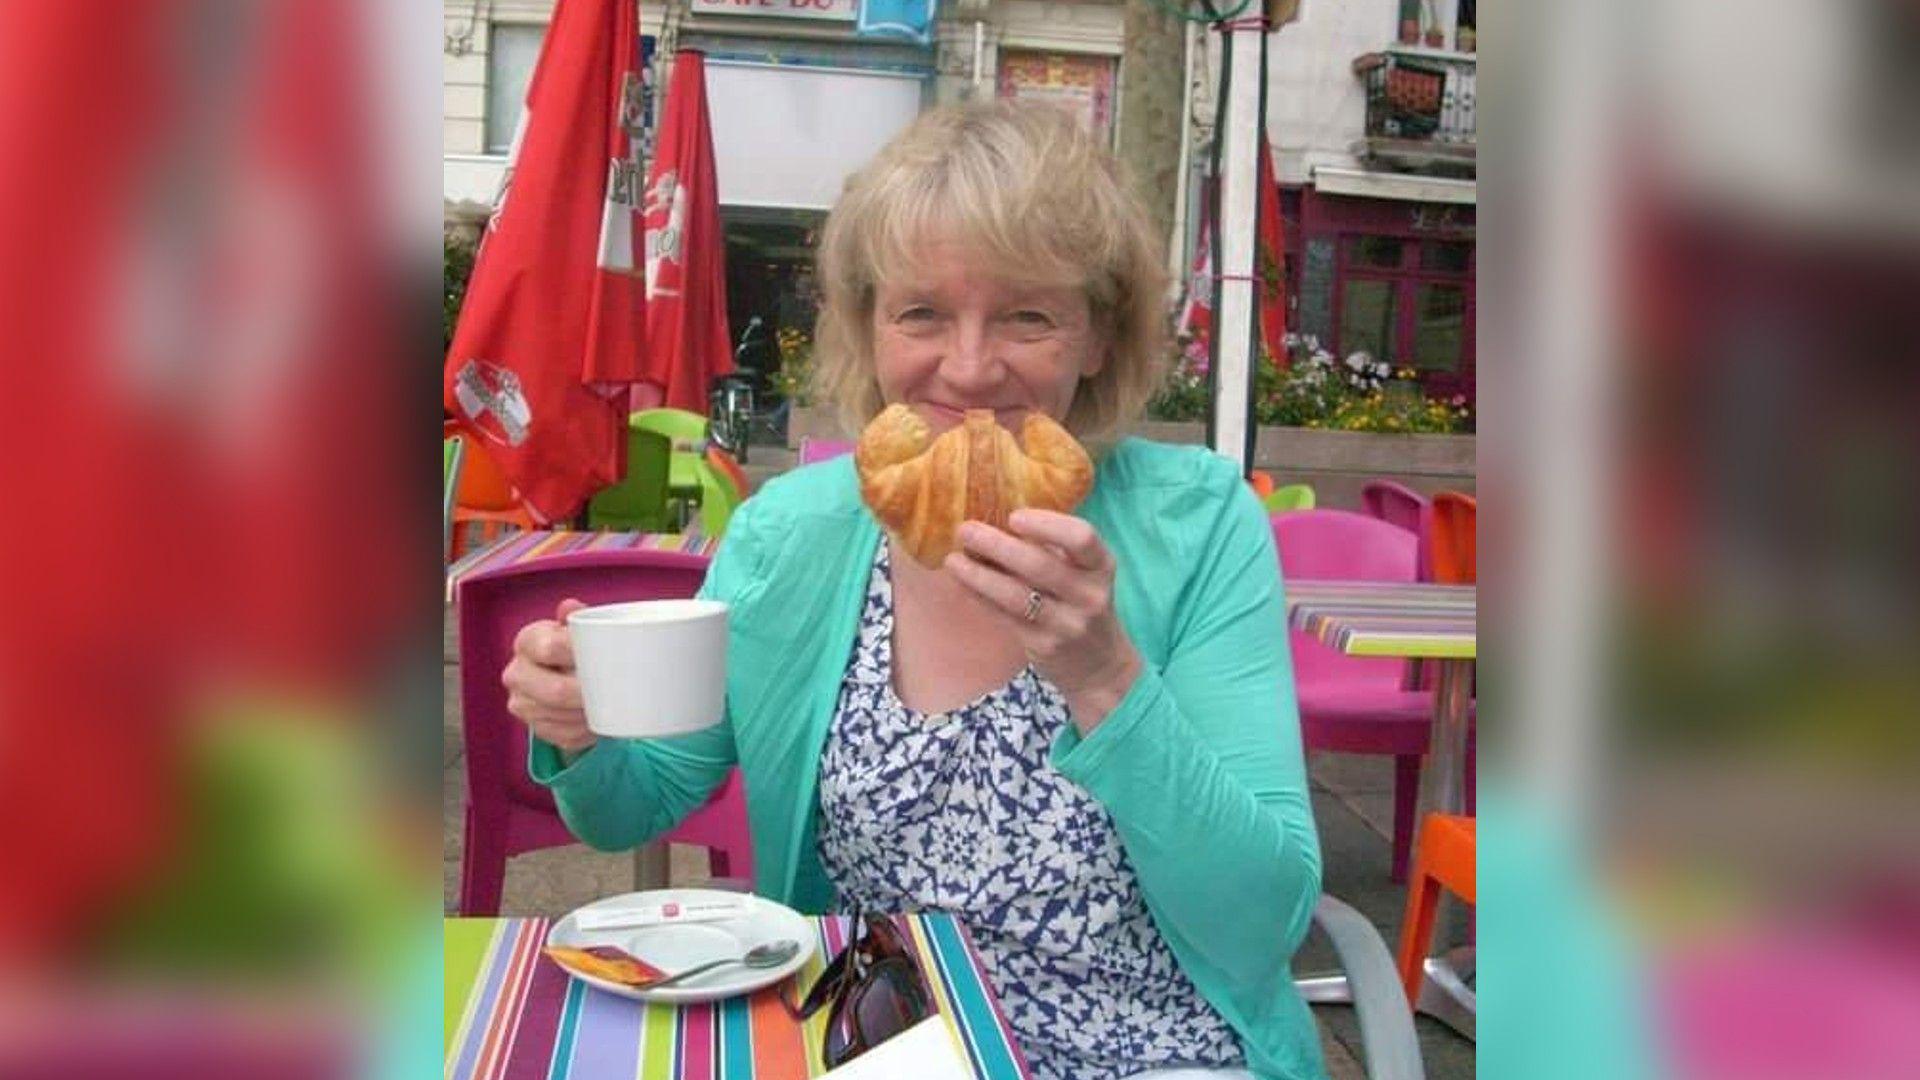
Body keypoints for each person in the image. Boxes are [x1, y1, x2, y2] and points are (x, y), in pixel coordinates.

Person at [503, 102, 1325, 1080]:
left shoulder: (1200, 526)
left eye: (1028, 315)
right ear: (869, 328)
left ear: (1097, 337)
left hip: (1156, 1051)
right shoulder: (790, 533)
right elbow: (634, 807)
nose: (971, 370)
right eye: (922, 313)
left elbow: (1262, 922)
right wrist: (580, 730)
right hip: (887, 1044)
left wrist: (1105, 678)